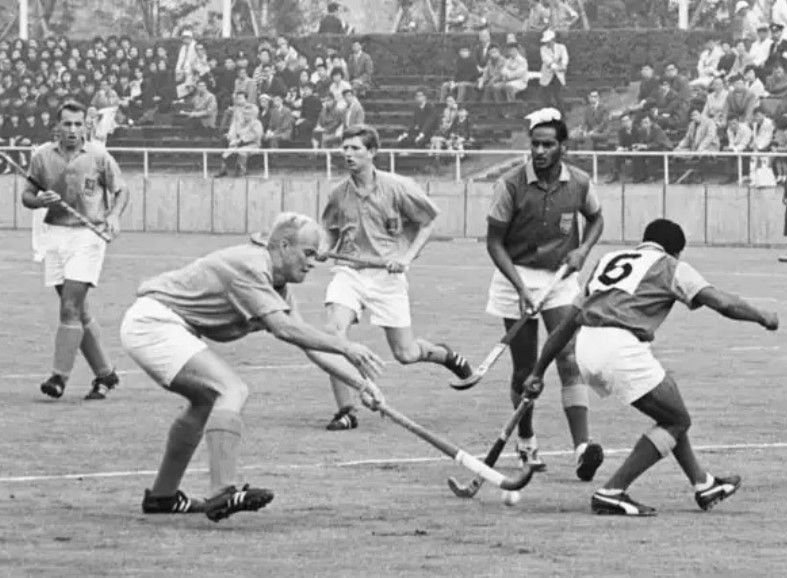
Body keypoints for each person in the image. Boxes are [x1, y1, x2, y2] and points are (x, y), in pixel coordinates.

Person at [120, 212, 386, 521]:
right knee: (230, 389)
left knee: (205, 400)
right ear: (284, 246)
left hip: (158, 325)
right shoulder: (252, 265)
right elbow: (283, 328)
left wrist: (363, 385)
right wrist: (346, 345)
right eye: (308, 253)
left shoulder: (277, 284)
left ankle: (162, 497)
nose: (314, 262)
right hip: (153, 323)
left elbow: (308, 343)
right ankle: (223, 492)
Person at [524, 218, 779, 516]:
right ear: (675, 251)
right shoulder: (671, 266)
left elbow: (567, 325)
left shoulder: (608, 260)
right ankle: (612, 491)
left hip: (587, 346)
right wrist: (762, 316)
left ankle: (702, 484)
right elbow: (722, 303)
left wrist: (537, 372)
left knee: (670, 411)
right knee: (676, 420)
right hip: (619, 347)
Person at [318, 124, 473, 430]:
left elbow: (427, 223)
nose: (348, 154)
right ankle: (346, 411)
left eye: (355, 148)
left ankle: (444, 355)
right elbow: (329, 228)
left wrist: (405, 257)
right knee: (332, 336)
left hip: (386, 279)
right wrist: (324, 247)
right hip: (349, 274)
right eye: (345, 148)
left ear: (372, 152)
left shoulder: (398, 186)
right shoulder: (338, 192)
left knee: (406, 353)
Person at [485, 107, 604, 478]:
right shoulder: (510, 184)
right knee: (525, 368)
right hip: (514, 275)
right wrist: (519, 287)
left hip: (560, 277)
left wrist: (582, 250)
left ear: (562, 148)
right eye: (535, 144)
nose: (539, 151)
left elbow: (596, 218)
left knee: (568, 356)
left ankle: (582, 447)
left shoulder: (580, 182)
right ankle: (526, 438)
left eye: (548, 145)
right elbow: (493, 242)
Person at [20, 100, 129, 401]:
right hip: (54, 235)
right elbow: (27, 194)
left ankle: (59, 377)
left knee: (69, 307)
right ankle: (105, 374)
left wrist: (114, 215)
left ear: (85, 126)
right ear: (57, 127)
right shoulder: (42, 156)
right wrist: (40, 201)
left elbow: (121, 190)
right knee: (78, 310)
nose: (72, 130)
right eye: (66, 124)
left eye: (78, 124)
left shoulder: (98, 155)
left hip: (87, 236)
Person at [217, 103, 263, 177]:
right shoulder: (241, 123)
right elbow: (235, 134)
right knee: (227, 152)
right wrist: (232, 139)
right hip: (239, 144)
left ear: (253, 114)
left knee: (242, 151)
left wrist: (240, 141)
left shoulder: (256, 123)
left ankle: (242, 170)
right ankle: (223, 170)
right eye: (244, 114)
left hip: (253, 145)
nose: (245, 116)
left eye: (248, 114)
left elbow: (255, 136)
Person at [539, 29, 568, 112]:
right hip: (547, 76)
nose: (547, 43)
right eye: (546, 41)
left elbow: (565, 58)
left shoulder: (561, 47)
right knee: (546, 97)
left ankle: (562, 116)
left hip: (558, 76)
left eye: (548, 41)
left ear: (553, 40)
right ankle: (547, 116)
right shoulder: (543, 49)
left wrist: (563, 65)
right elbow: (547, 60)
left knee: (558, 96)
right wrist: (558, 67)